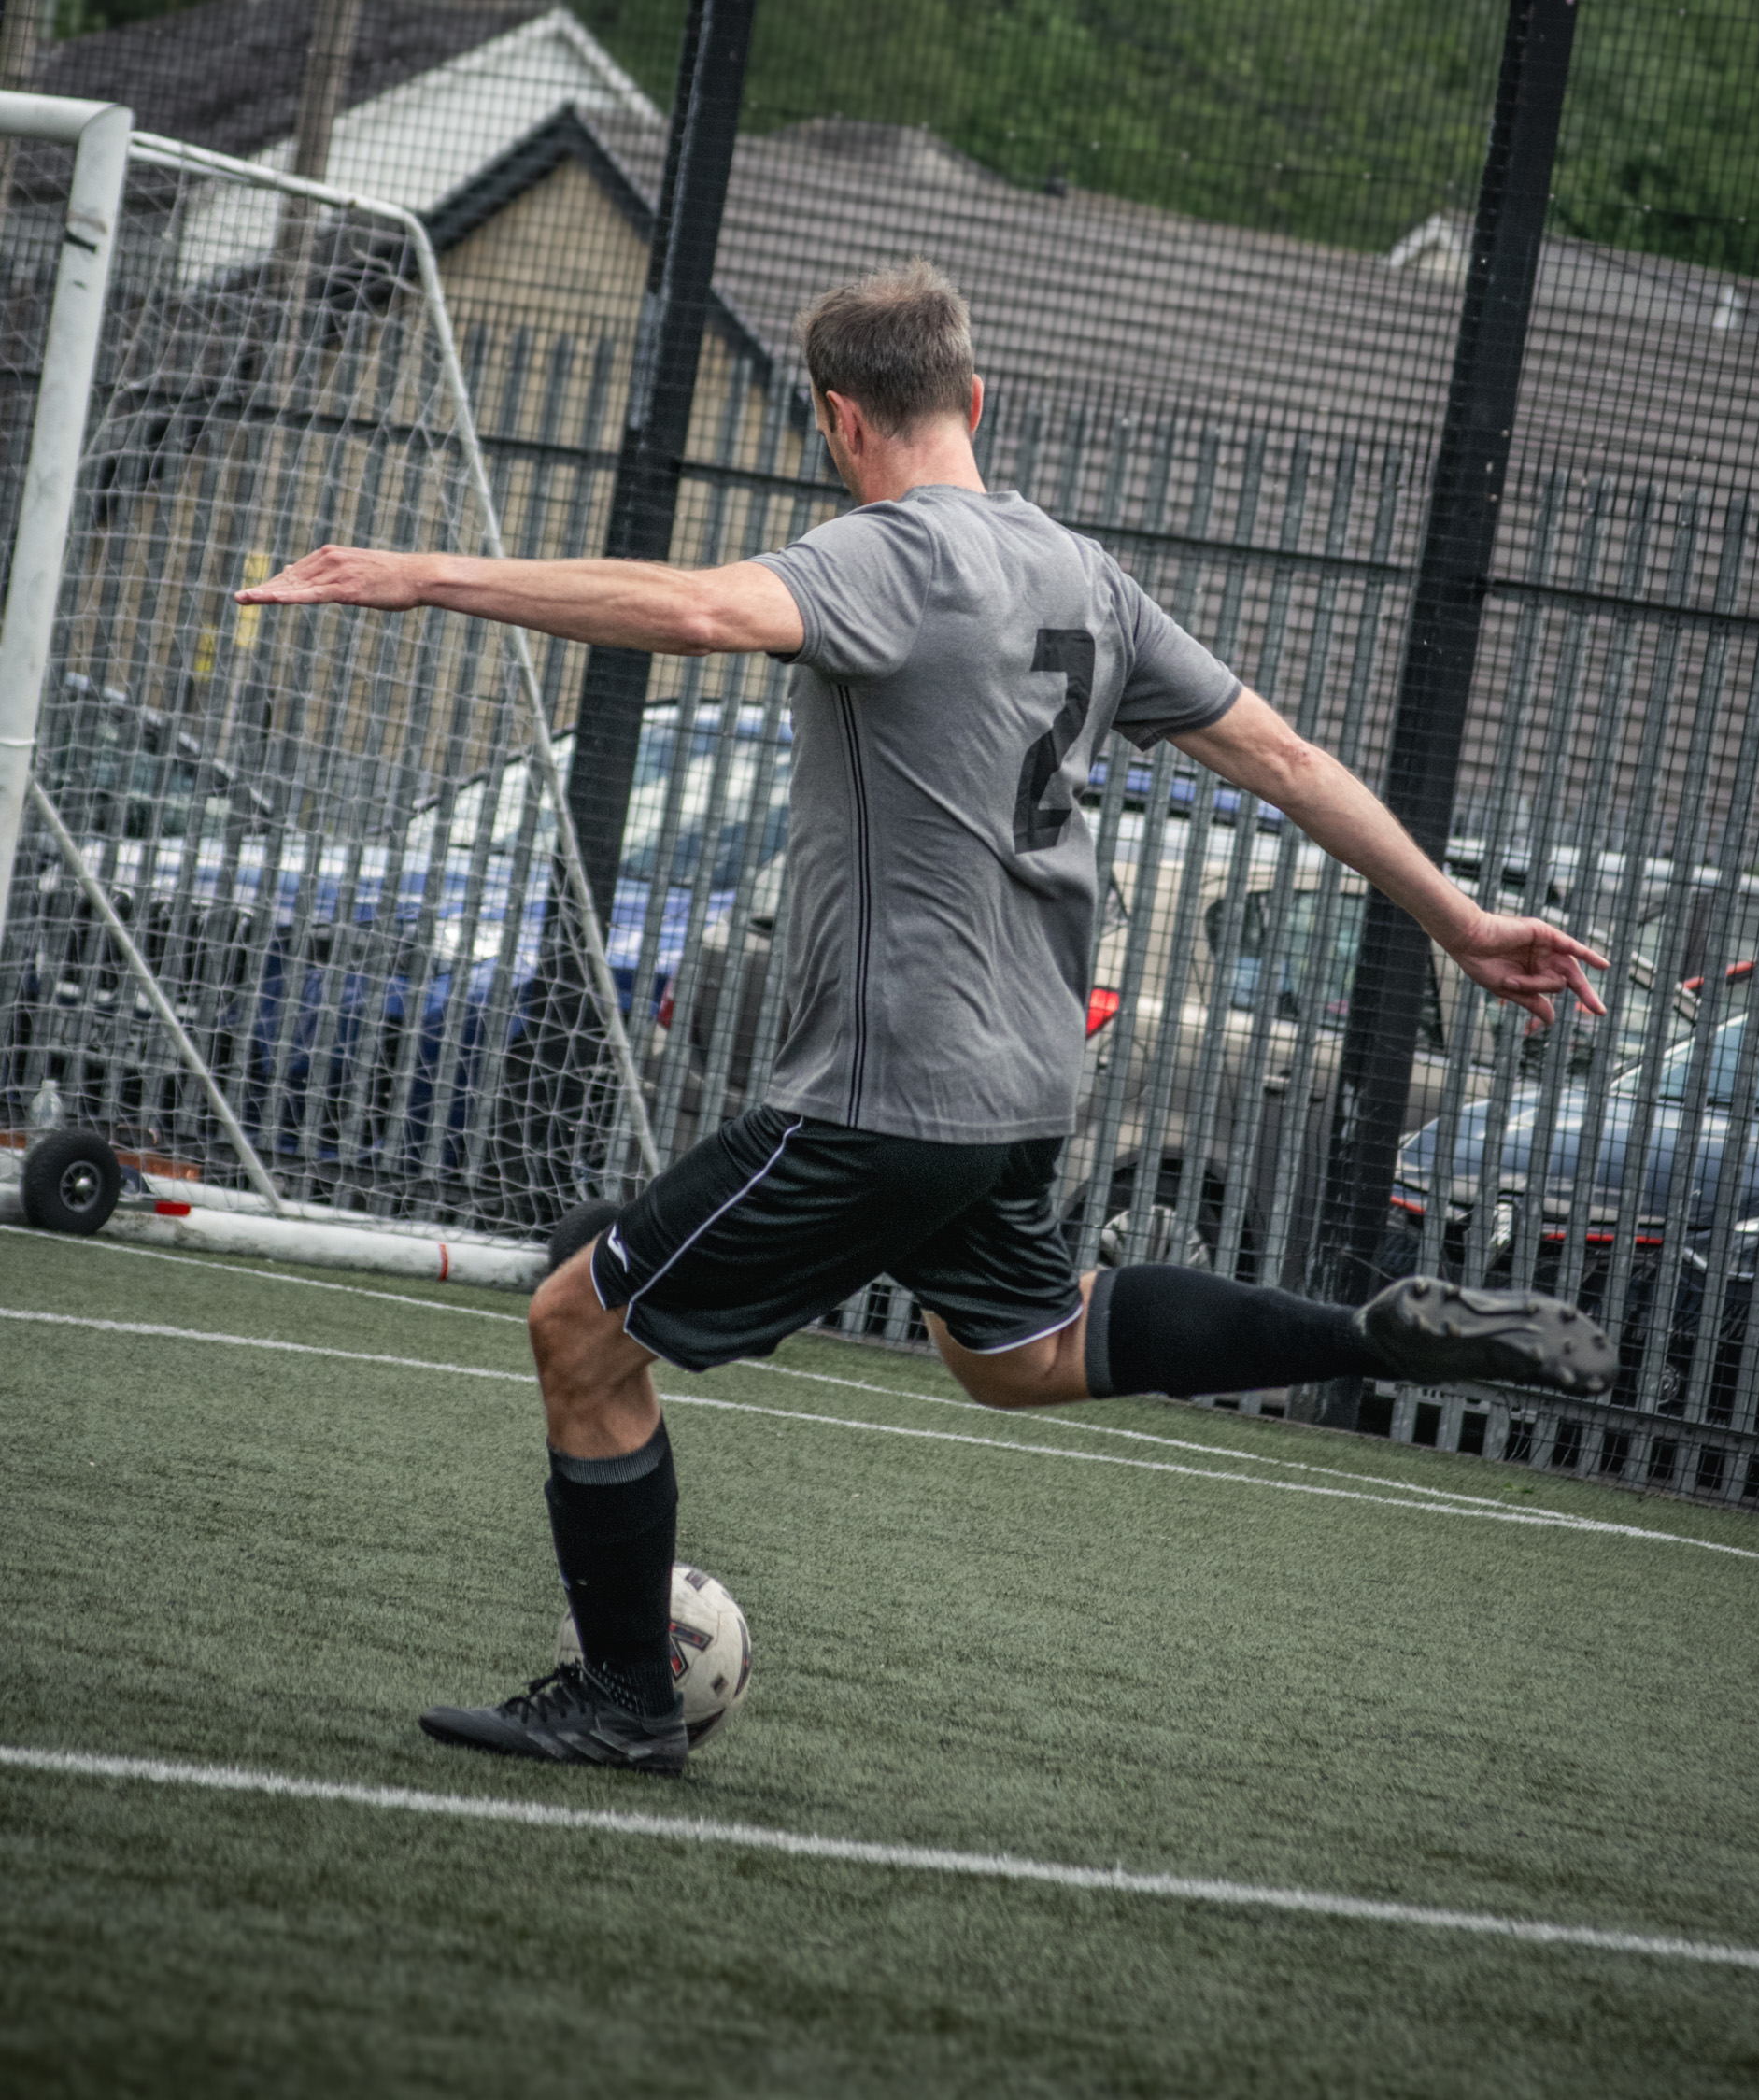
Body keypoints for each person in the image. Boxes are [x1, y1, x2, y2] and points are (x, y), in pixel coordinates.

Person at [238, 260, 1614, 1779]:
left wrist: (424, 573)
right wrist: (1460, 919)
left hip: (881, 1092)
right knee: (1020, 1352)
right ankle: (1363, 1333)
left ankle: (626, 1698)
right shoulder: (1081, 573)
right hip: (1025, 1083)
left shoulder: (881, 557)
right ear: (975, 398)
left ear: (839, 420)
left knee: (576, 1329)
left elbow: (699, 607)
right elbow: (1281, 757)